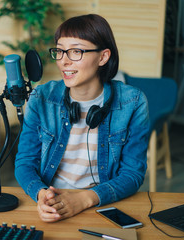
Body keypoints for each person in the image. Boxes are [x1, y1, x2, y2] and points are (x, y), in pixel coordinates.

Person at [14, 14, 150, 222]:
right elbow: (25, 162)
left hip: (101, 203)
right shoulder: (41, 98)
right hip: (51, 203)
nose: (64, 61)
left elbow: (133, 174)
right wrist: (42, 195)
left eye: (76, 51)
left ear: (103, 57)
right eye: (59, 51)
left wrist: (84, 199)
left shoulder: (133, 102)